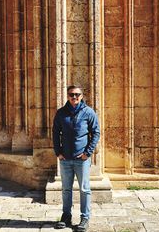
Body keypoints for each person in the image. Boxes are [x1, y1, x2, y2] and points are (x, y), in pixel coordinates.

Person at [53, 85, 100, 232]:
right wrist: (58, 152)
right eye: (72, 94)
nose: (75, 97)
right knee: (66, 189)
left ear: (81, 96)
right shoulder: (61, 113)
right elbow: (55, 133)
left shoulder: (88, 112)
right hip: (65, 159)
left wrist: (88, 152)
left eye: (77, 94)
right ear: (67, 96)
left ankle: (84, 218)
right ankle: (66, 216)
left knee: (85, 189)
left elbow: (96, 133)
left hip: (82, 159)